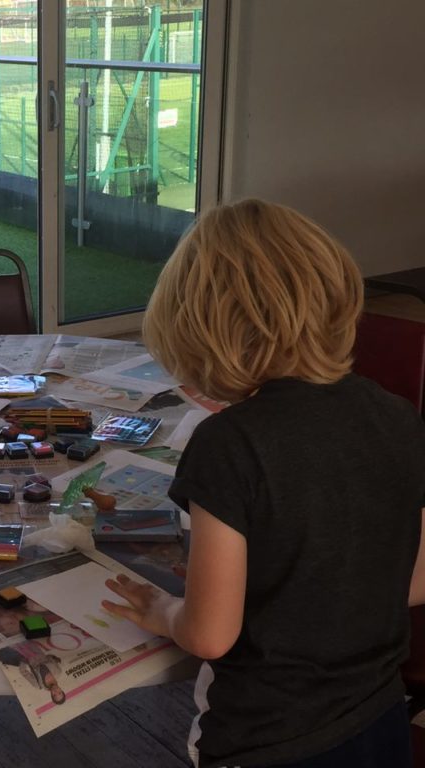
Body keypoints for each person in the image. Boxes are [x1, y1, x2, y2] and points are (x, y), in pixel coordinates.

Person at [102, 199, 425, 768]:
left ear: (203, 331)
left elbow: (209, 636)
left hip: (267, 741)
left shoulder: (229, 444)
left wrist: (164, 610)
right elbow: (413, 579)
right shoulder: (398, 415)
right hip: (379, 718)